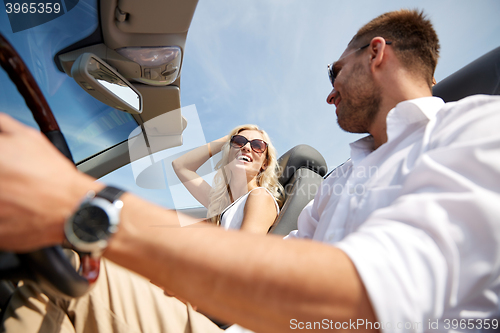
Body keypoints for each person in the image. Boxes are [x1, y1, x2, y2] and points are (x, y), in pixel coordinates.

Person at [1, 8, 500, 333]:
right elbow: (271, 265)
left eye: (334, 71)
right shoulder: (344, 180)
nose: (329, 93)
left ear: (376, 53)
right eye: (237, 141)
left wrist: (86, 208)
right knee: (57, 277)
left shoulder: (478, 129)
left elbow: (362, 307)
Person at [172, 124, 283, 232]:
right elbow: (180, 166)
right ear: (229, 154)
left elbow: (244, 249)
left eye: (258, 145)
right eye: (239, 142)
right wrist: (229, 137)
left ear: (265, 163)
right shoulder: (221, 203)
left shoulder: (260, 196)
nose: (246, 147)